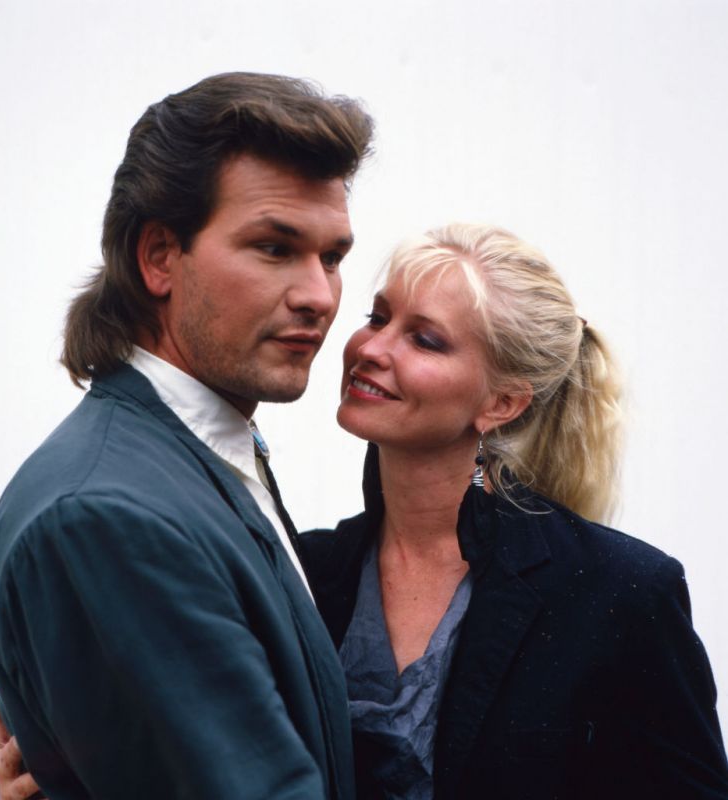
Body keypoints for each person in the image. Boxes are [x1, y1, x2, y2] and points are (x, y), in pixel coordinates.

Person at [0, 71, 373, 799]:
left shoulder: (201, 454)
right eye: (274, 248)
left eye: (333, 257)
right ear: (159, 255)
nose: (319, 296)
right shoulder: (105, 517)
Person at [297, 223, 728, 798]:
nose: (371, 349)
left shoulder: (622, 592)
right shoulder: (300, 568)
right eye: (378, 318)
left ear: (502, 402)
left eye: (425, 340)